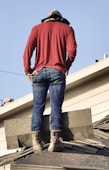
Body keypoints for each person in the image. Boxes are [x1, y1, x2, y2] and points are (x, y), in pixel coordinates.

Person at [23, 9, 77, 152]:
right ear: (60, 19)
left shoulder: (37, 28)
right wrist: (65, 66)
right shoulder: (67, 29)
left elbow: (27, 50)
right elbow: (72, 51)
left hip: (39, 72)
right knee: (56, 106)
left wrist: (27, 70)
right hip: (57, 71)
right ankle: (55, 141)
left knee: (38, 107)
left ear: (47, 19)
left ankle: (36, 142)